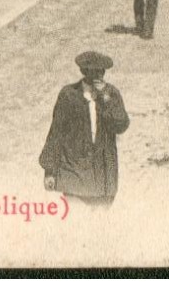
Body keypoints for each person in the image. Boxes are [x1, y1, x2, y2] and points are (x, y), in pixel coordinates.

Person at [39, 51, 130, 207]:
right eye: (93, 71)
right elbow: (56, 132)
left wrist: (105, 98)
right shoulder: (69, 95)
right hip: (74, 168)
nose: (98, 75)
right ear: (83, 72)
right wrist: (50, 171)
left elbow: (121, 125)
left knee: (101, 223)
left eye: (101, 71)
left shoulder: (111, 94)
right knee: (76, 221)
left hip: (103, 171)